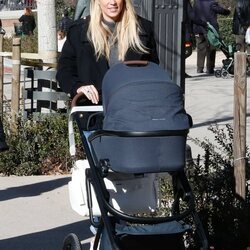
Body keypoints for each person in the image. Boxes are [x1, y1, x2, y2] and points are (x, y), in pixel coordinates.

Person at [56, 0, 159, 108]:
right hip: (93, 109)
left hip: (133, 110)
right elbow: (64, 71)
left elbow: (153, 71)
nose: (112, 2)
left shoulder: (143, 29)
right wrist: (78, 87)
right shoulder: (78, 31)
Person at [193, 0, 230, 74]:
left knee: (200, 48)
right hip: (210, 30)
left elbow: (193, 15)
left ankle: (199, 68)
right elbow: (221, 10)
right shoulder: (212, 3)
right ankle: (210, 68)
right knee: (211, 48)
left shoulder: (196, 3)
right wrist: (228, 11)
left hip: (198, 28)